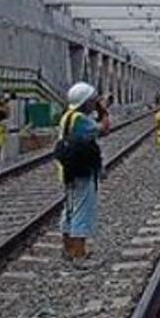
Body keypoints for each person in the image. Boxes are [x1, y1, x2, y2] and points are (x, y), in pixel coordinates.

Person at [58, 82, 103, 261]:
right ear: (85, 101)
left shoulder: (67, 116)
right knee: (82, 210)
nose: (94, 103)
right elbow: (104, 127)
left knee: (69, 209)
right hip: (81, 169)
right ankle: (79, 253)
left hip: (68, 169)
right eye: (92, 100)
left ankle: (68, 249)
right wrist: (103, 110)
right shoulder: (81, 119)